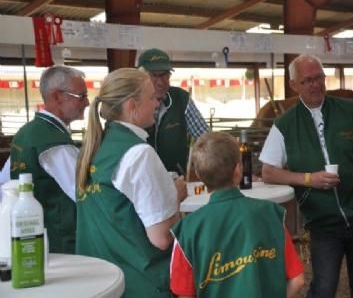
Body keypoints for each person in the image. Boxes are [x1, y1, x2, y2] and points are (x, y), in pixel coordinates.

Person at [259, 54, 353, 298]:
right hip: (322, 221)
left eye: (319, 78)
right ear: (294, 85)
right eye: (307, 81)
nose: (315, 84)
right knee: (323, 288)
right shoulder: (285, 124)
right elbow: (268, 172)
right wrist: (308, 179)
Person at [75, 68, 187, 297]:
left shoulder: (92, 148)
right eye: (152, 98)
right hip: (140, 282)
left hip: (99, 281)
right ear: (131, 106)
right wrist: (176, 196)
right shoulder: (138, 154)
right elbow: (161, 238)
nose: (157, 104)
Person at [170, 132, 305, 298]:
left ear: (198, 175)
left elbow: (184, 293)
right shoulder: (271, 215)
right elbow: (297, 280)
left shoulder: (187, 230)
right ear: (239, 170)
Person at [10, 65, 88, 254]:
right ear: (57, 96)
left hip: (33, 236)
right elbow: (85, 194)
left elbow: (6, 183)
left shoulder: (25, 133)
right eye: (82, 96)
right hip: (62, 242)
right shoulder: (54, 143)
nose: (86, 102)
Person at [137, 48, 209, 175]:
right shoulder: (131, 103)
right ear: (141, 77)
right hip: (141, 182)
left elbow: (206, 139)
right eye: (154, 75)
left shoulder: (181, 99)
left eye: (165, 74)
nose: (160, 81)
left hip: (175, 182)